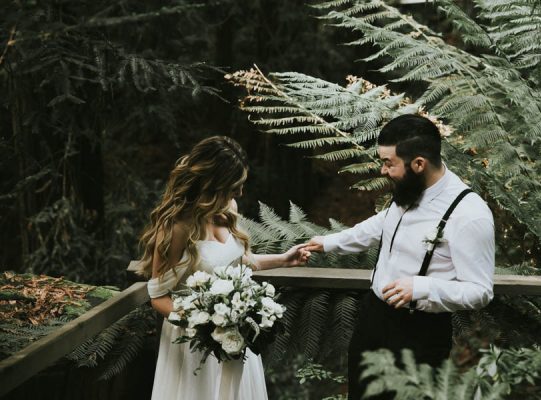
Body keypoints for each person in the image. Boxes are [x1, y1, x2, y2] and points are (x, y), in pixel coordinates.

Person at [303, 114, 495, 399]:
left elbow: (480, 291)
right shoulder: (409, 187)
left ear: (419, 164)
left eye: (388, 163)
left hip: (420, 335)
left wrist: (421, 287)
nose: (383, 171)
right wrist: (328, 243)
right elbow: (384, 223)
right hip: (373, 318)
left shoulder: (470, 215)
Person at [139, 136, 310, 400]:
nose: (239, 193)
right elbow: (159, 297)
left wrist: (283, 259)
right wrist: (205, 322)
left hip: (235, 339)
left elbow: (233, 262)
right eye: (234, 186)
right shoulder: (176, 227)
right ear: (213, 183)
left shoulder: (229, 208)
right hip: (195, 343)